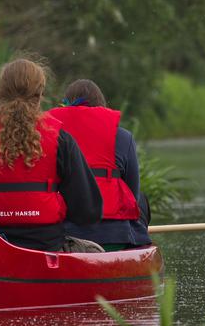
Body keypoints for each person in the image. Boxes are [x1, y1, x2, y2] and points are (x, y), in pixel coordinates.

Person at [0, 59, 104, 252]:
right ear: (39, 95)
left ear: (0, 94)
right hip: (46, 246)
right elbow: (89, 211)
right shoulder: (60, 139)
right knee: (94, 250)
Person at [49, 79, 152, 251]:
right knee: (141, 199)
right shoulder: (124, 137)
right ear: (101, 106)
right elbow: (132, 196)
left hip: (64, 238)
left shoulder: (51, 136)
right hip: (114, 237)